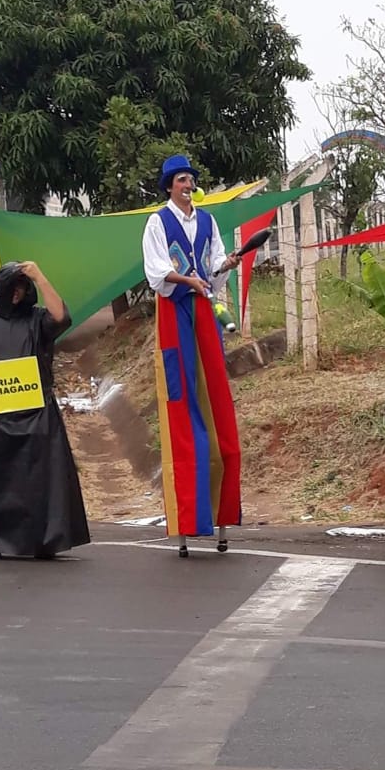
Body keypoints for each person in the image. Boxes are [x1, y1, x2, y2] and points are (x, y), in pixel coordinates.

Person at [142, 154, 244, 558]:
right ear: (170, 186)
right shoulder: (157, 222)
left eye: (191, 180)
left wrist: (225, 265)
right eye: (181, 180)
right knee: (181, 400)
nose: (188, 185)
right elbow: (156, 273)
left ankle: (220, 516)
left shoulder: (207, 221)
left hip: (203, 307)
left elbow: (214, 266)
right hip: (174, 310)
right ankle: (188, 520)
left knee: (216, 393)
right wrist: (187, 279)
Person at [0, 261, 90, 560]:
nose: (16, 292)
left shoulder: (38, 320)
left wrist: (39, 276)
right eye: (11, 287)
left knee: (39, 482)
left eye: (21, 286)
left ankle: (42, 541)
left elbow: (61, 317)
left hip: (37, 414)